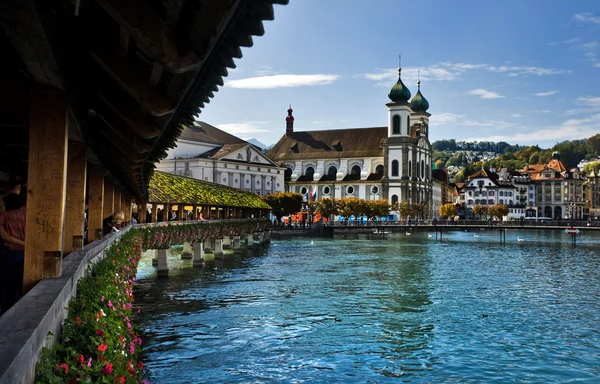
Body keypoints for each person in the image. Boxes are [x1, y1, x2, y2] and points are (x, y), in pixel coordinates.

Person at [0, 193, 26, 314]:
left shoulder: (5, 216)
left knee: (8, 284)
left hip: (13, 253)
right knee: (24, 284)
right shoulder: (28, 213)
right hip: (29, 253)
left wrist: (21, 243)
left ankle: (6, 311)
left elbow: (4, 236)